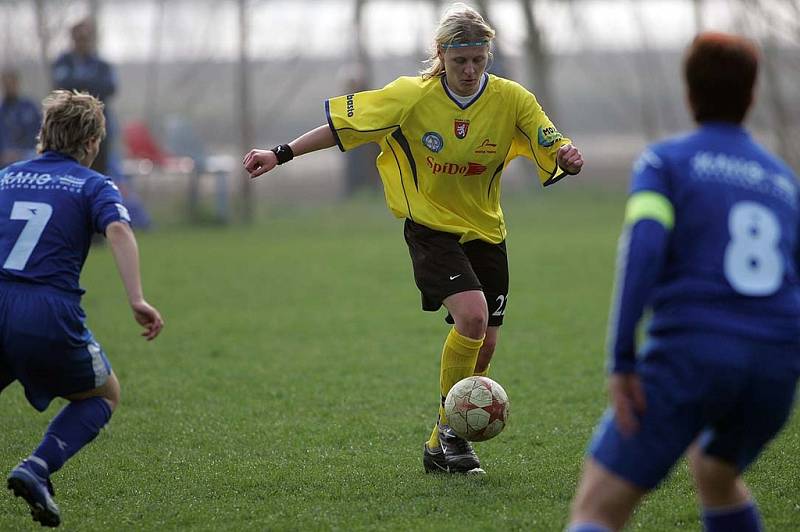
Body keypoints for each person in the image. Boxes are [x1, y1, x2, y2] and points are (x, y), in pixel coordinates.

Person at [244, 2, 584, 475]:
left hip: (487, 231)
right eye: (459, 60)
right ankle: (453, 435)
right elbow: (344, 128)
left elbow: (552, 141)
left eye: (478, 61)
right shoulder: (411, 96)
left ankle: (436, 447)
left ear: (488, 57)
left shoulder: (513, 99)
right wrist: (280, 153)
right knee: (471, 315)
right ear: (441, 55)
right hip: (429, 228)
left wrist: (566, 155)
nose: (469, 70)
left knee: (485, 345)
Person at [567, 32, 800, 532]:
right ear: (752, 96)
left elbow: (644, 246)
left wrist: (622, 359)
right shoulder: (783, 181)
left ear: (689, 93)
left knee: (596, 507)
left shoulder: (664, 162)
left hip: (694, 355)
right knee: (716, 471)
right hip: (776, 366)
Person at [1, 90, 164, 527]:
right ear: (92, 143)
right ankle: (37, 467)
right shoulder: (94, 184)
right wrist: (136, 298)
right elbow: (119, 230)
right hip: (46, 310)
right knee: (104, 394)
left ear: (43, 134)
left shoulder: (7, 176)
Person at [52, 18, 117, 175]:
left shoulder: (102, 65)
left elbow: (110, 88)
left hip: (97, 125)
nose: (82, 42)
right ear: (73, 38)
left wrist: (79, 84)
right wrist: (90, 84)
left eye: (86, 38)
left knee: (98, 171)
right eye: (79, 38)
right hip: (69, 126)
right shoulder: (63, 62)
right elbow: (61, 85)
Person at [0, 67, 41, 166]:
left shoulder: (29, 106)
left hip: (29, 151)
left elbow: (39, 132)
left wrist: (21, 152)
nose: (9, 87)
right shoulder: (2, 110)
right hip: (6, 155)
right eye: (6, 84)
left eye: (11, 83)